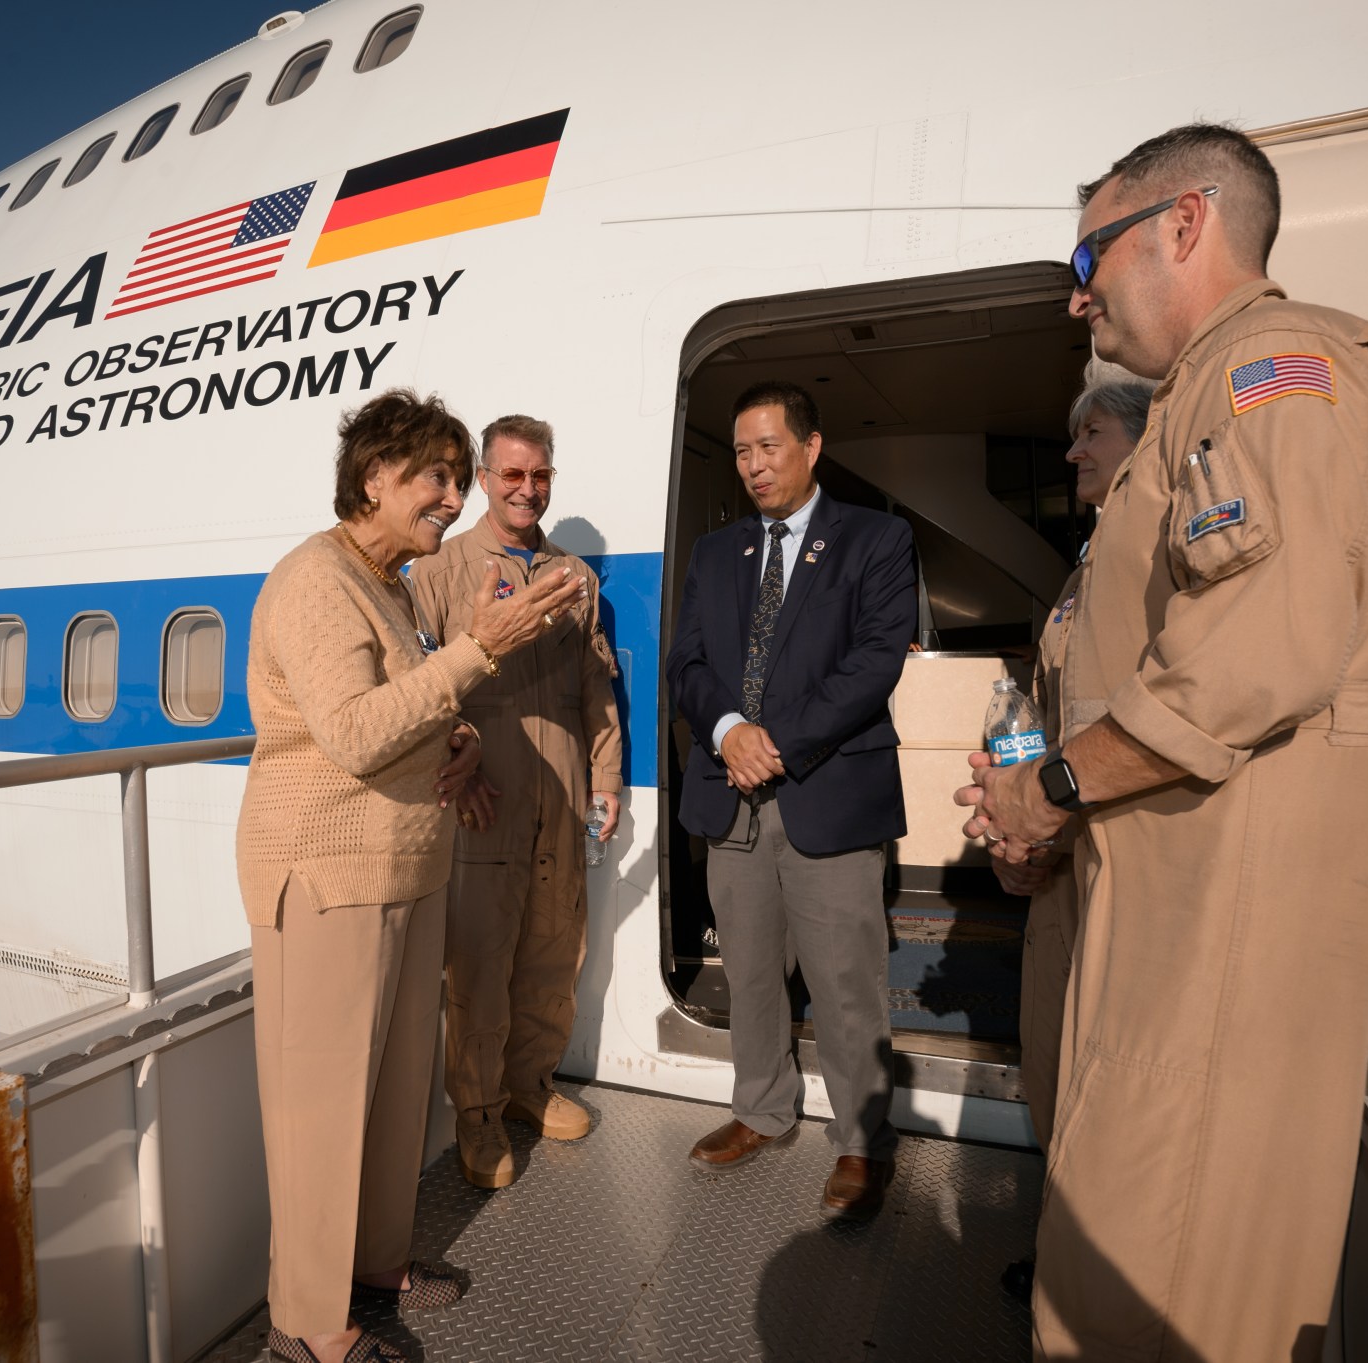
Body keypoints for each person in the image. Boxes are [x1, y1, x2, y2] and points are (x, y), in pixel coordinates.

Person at [957, 124, 1368, 1361]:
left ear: (1182, 224)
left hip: (1229, 915)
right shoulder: (1198, 399)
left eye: (1086, 251)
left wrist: (1052, 789)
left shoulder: (1270, 365)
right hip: (1186, 902)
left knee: (1151, 1290)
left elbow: (1256, 653)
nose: (1077, 292)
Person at [235, 389, 586, 1363]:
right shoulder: (316, 578)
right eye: (434, 475)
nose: (449, 494)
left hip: (402, 863)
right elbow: (347, 734)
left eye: (451, 474)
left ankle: (373, 1266)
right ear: (375, 478)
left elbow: (398, 708)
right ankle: (305, 1326)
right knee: (318, 1111)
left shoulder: (387, 584)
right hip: (325, 870)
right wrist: (480, 651)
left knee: (391, 1100)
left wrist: (459, 739)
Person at [665, 379, 918, 1219]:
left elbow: (875, 661)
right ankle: (763, 1108)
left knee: (847, 979)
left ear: (811, 447)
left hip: (827, 790)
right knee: (749, 969)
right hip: (729, 792)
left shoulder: (877, 539)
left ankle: (858, 1141)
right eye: (740, 451)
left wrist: (775, 742)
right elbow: (689, 665)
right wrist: (730, 728)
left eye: (768, 446)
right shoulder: (715, 554)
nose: (752, 465)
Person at [406, 413, 624, 1188]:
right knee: (480, 962)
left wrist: (605, 777)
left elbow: (597, 685)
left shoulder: (574, 576)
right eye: (511, 475)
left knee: (553, 950)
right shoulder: (440, 571)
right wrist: (452, 760)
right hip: (484, 797)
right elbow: (415, 688)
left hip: (561, 794)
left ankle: (532, 1085)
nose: (526, 489)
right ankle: (479, 1113)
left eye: (539, 476)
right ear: (485, 480)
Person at [994, 365, 1155, 1304]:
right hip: (1066, 855)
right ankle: (1065, 1248)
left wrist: (1044, 804)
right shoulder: (1091, 561)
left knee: (1105, 1078)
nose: (1072, 451)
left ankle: (1095, 1283)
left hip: (1115, 858)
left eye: (1091, 432)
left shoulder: (1145, 553)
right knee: (1053, 1059)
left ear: (1140, 437)